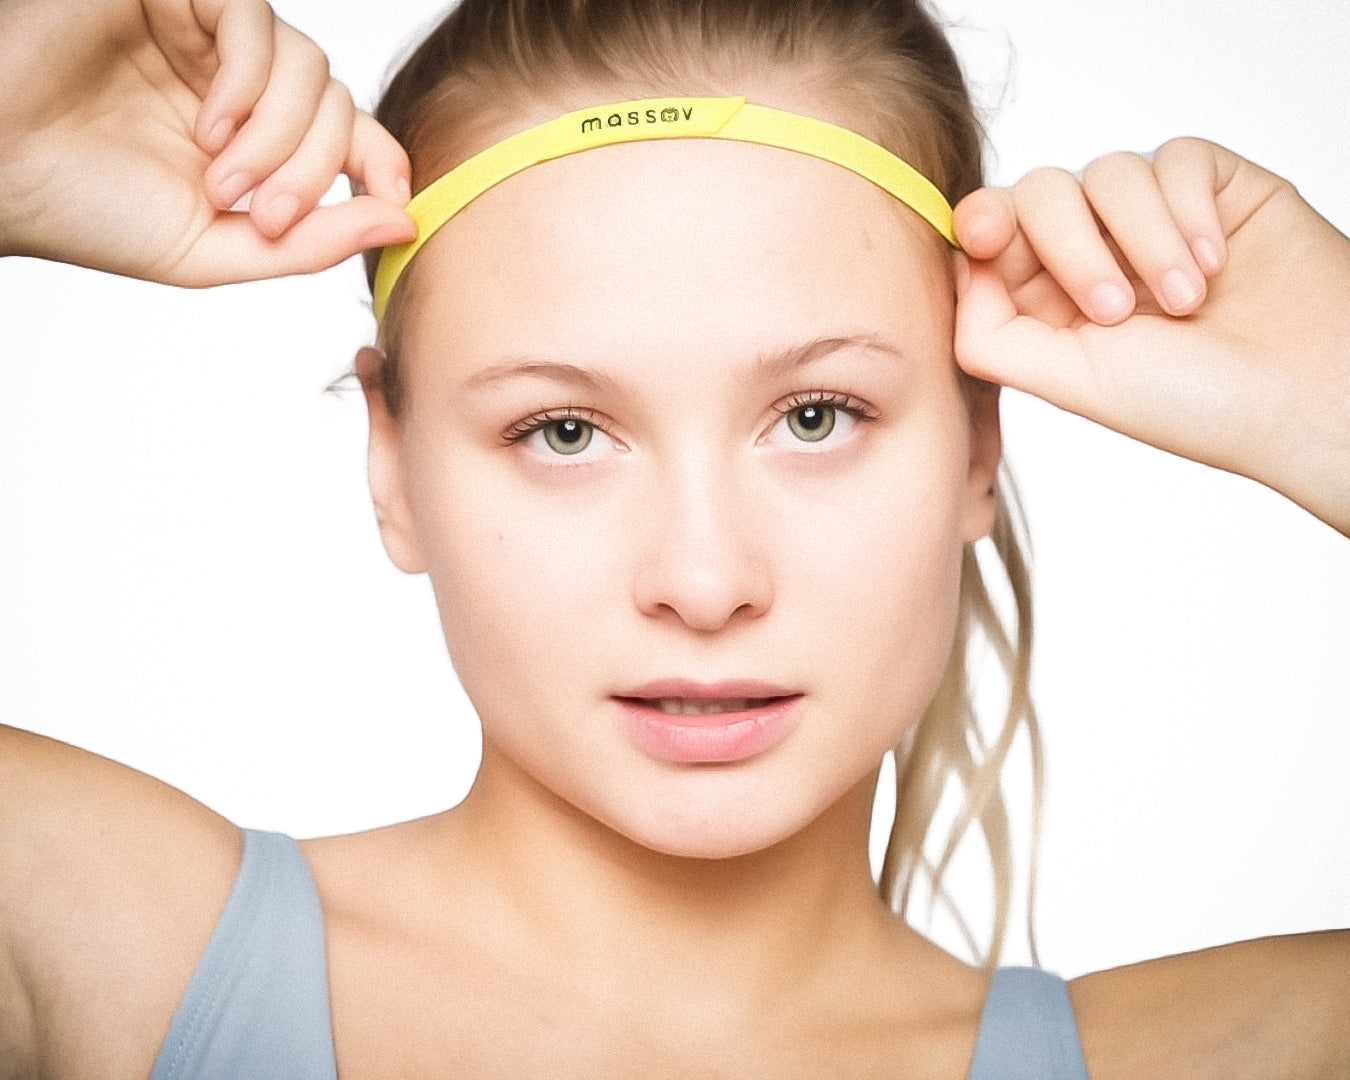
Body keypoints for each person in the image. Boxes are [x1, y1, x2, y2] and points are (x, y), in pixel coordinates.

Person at [0, 1, 1346, 1078]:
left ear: (976, 449)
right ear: (392, 469)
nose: (704, 583)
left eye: (815, 416)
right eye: (564, 433)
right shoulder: (107, 953)